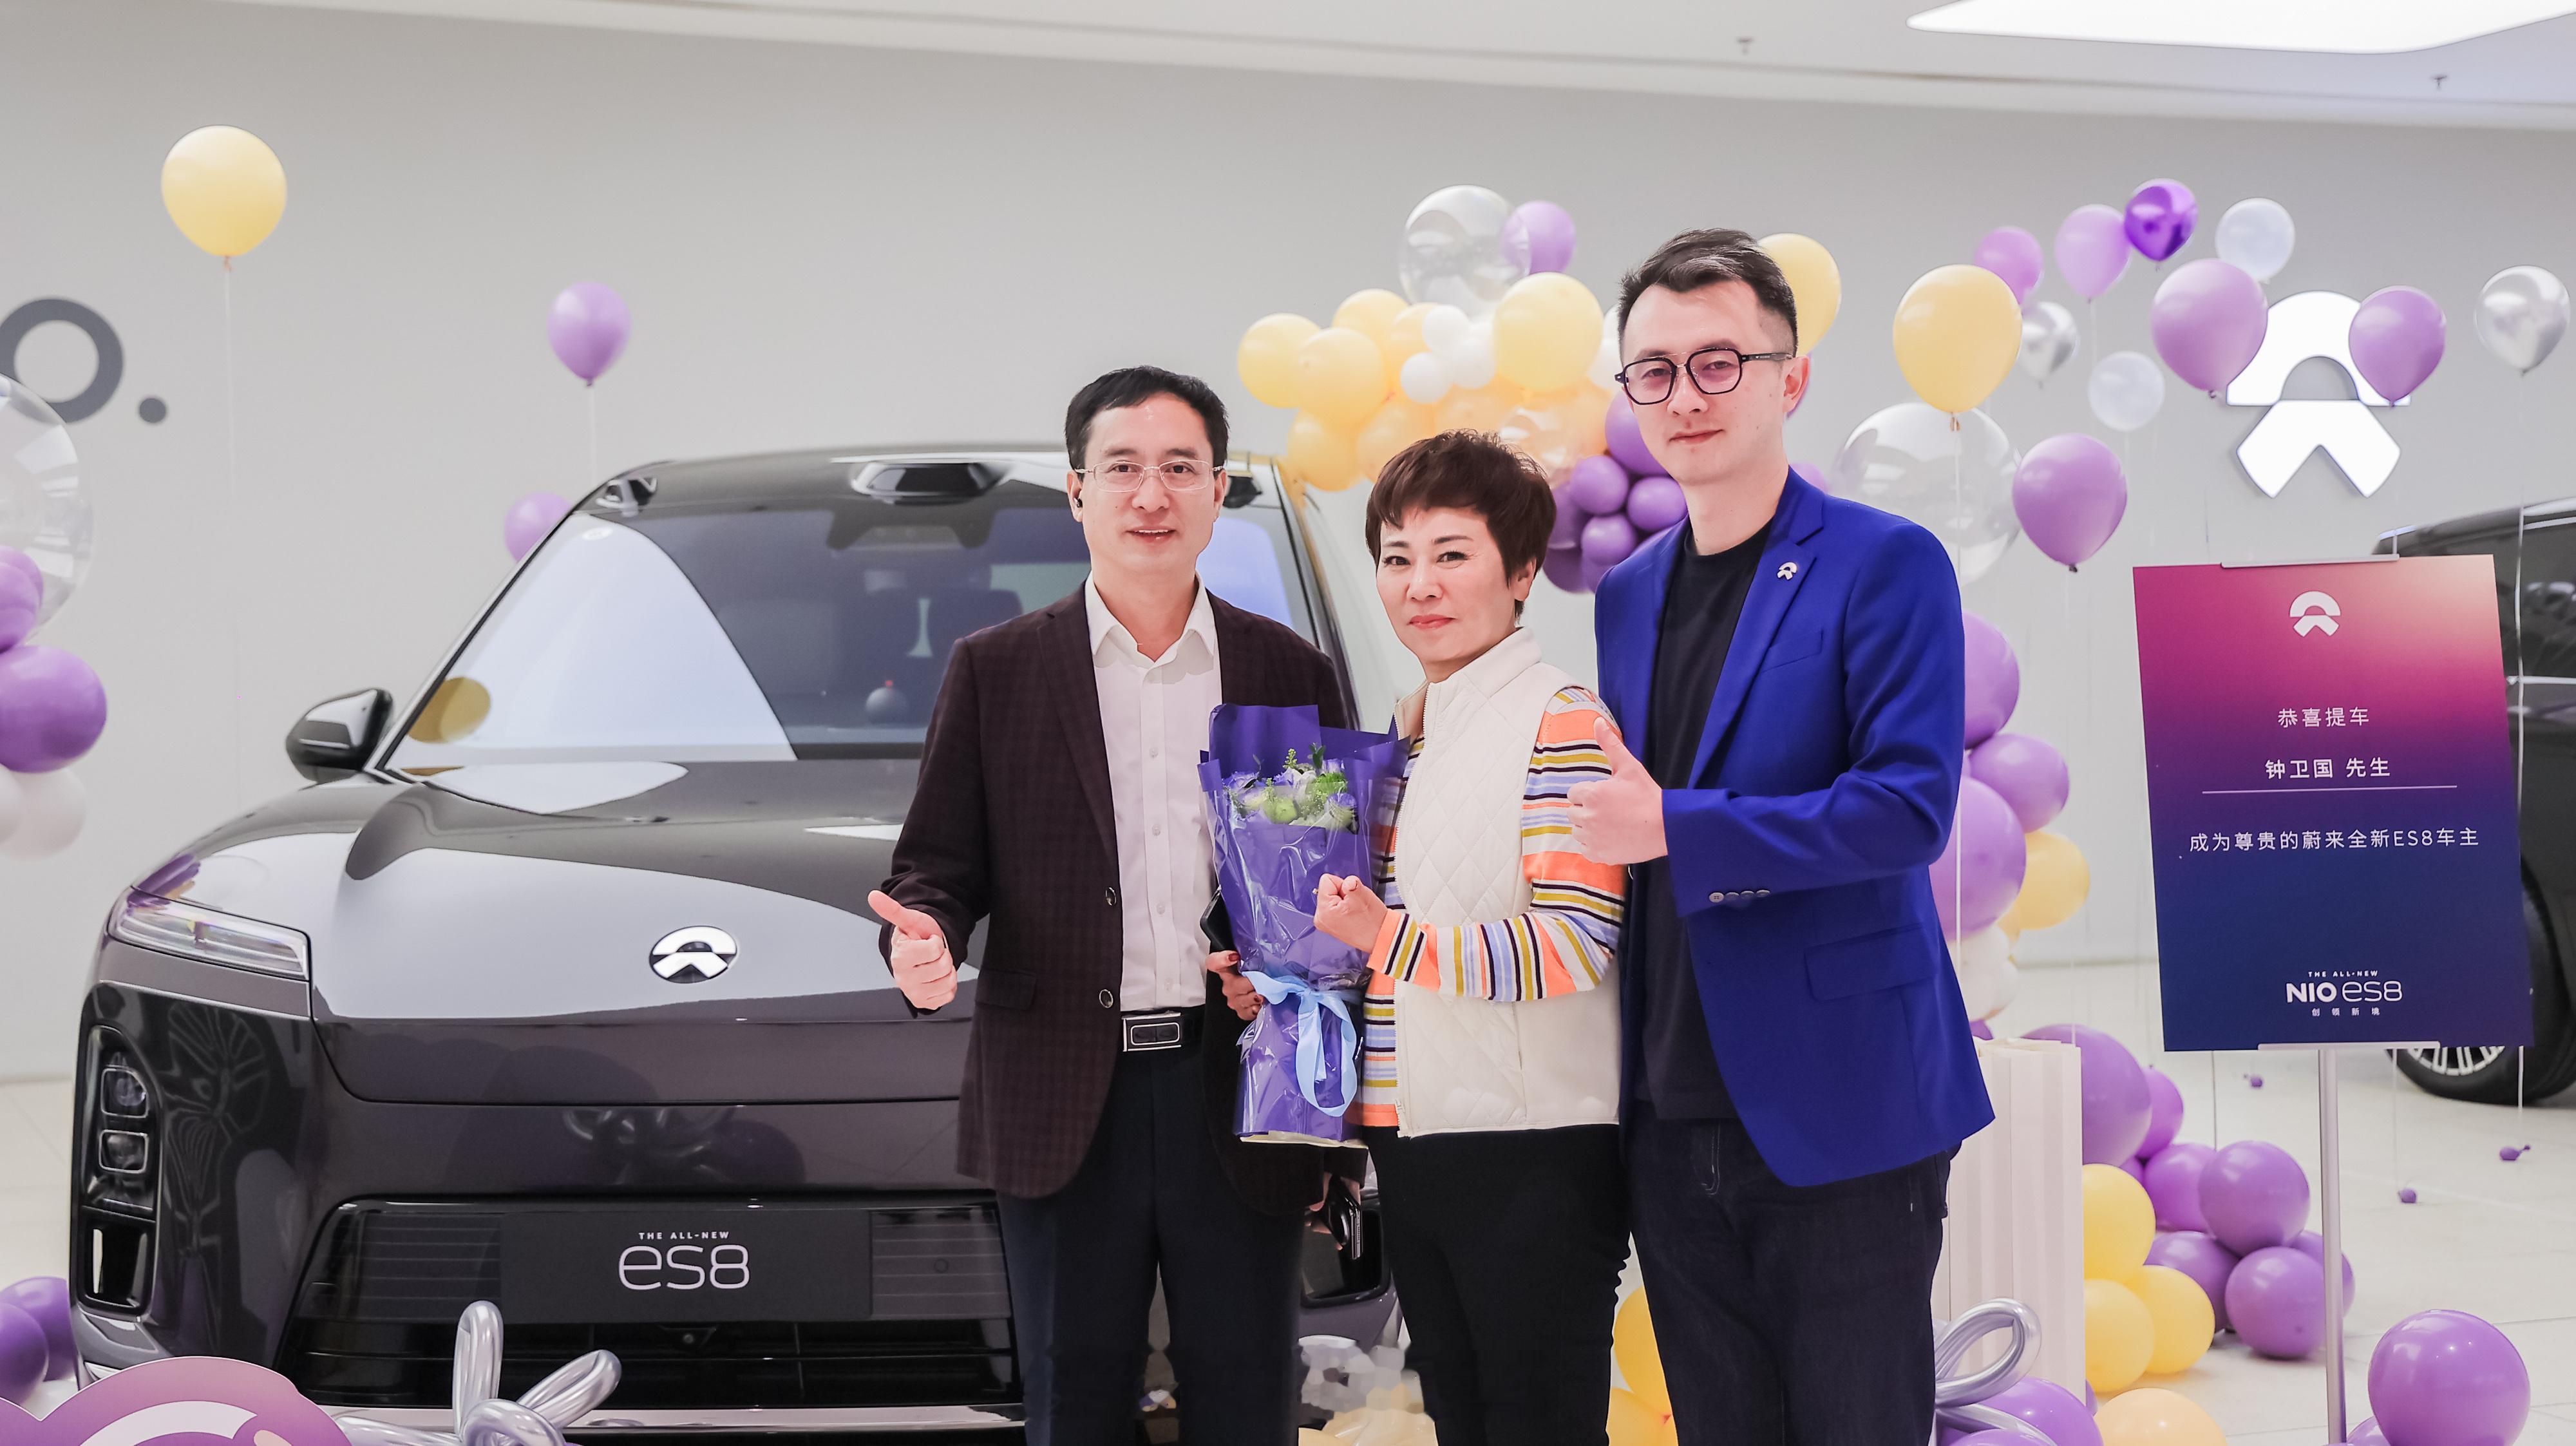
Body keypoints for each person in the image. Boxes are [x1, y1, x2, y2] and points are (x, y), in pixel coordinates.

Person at [869, 366, 1353, 1446]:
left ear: (1217, 491)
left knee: (1249, 1399)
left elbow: (1322, 889)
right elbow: (936, 866)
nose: (1151, 494)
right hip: (1059, 1095)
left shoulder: (1288, 672)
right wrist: (925, 935)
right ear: (1077, 492)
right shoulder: (997, 670)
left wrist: (1282, 971)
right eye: (1123, 467)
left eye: (1180, 468)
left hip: (1237, 1086)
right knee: (1072, 1402)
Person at [1567, 229, 1995, 1445]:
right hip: (1669, 1107)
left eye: (1720, 363)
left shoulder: (1885, 562)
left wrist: (1672, 824)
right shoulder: (1628, 594)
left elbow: (1908, 808)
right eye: (1654, 371)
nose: (1684, 397)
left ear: (1790, 378)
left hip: (1841, 1099)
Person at [1209, 431, 1629, 1446]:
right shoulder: (1407, 728)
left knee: (1539, 1423)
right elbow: (1385, 948)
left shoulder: (1562, 721)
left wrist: (1387, 936)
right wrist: (1290, 978)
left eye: (1451, 554)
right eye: (1397, 557)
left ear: (1521, 573)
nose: (1419, 584)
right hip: (1416, 1139)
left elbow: (1577, 942)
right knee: (1463, 1418)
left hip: (1532, 1148)